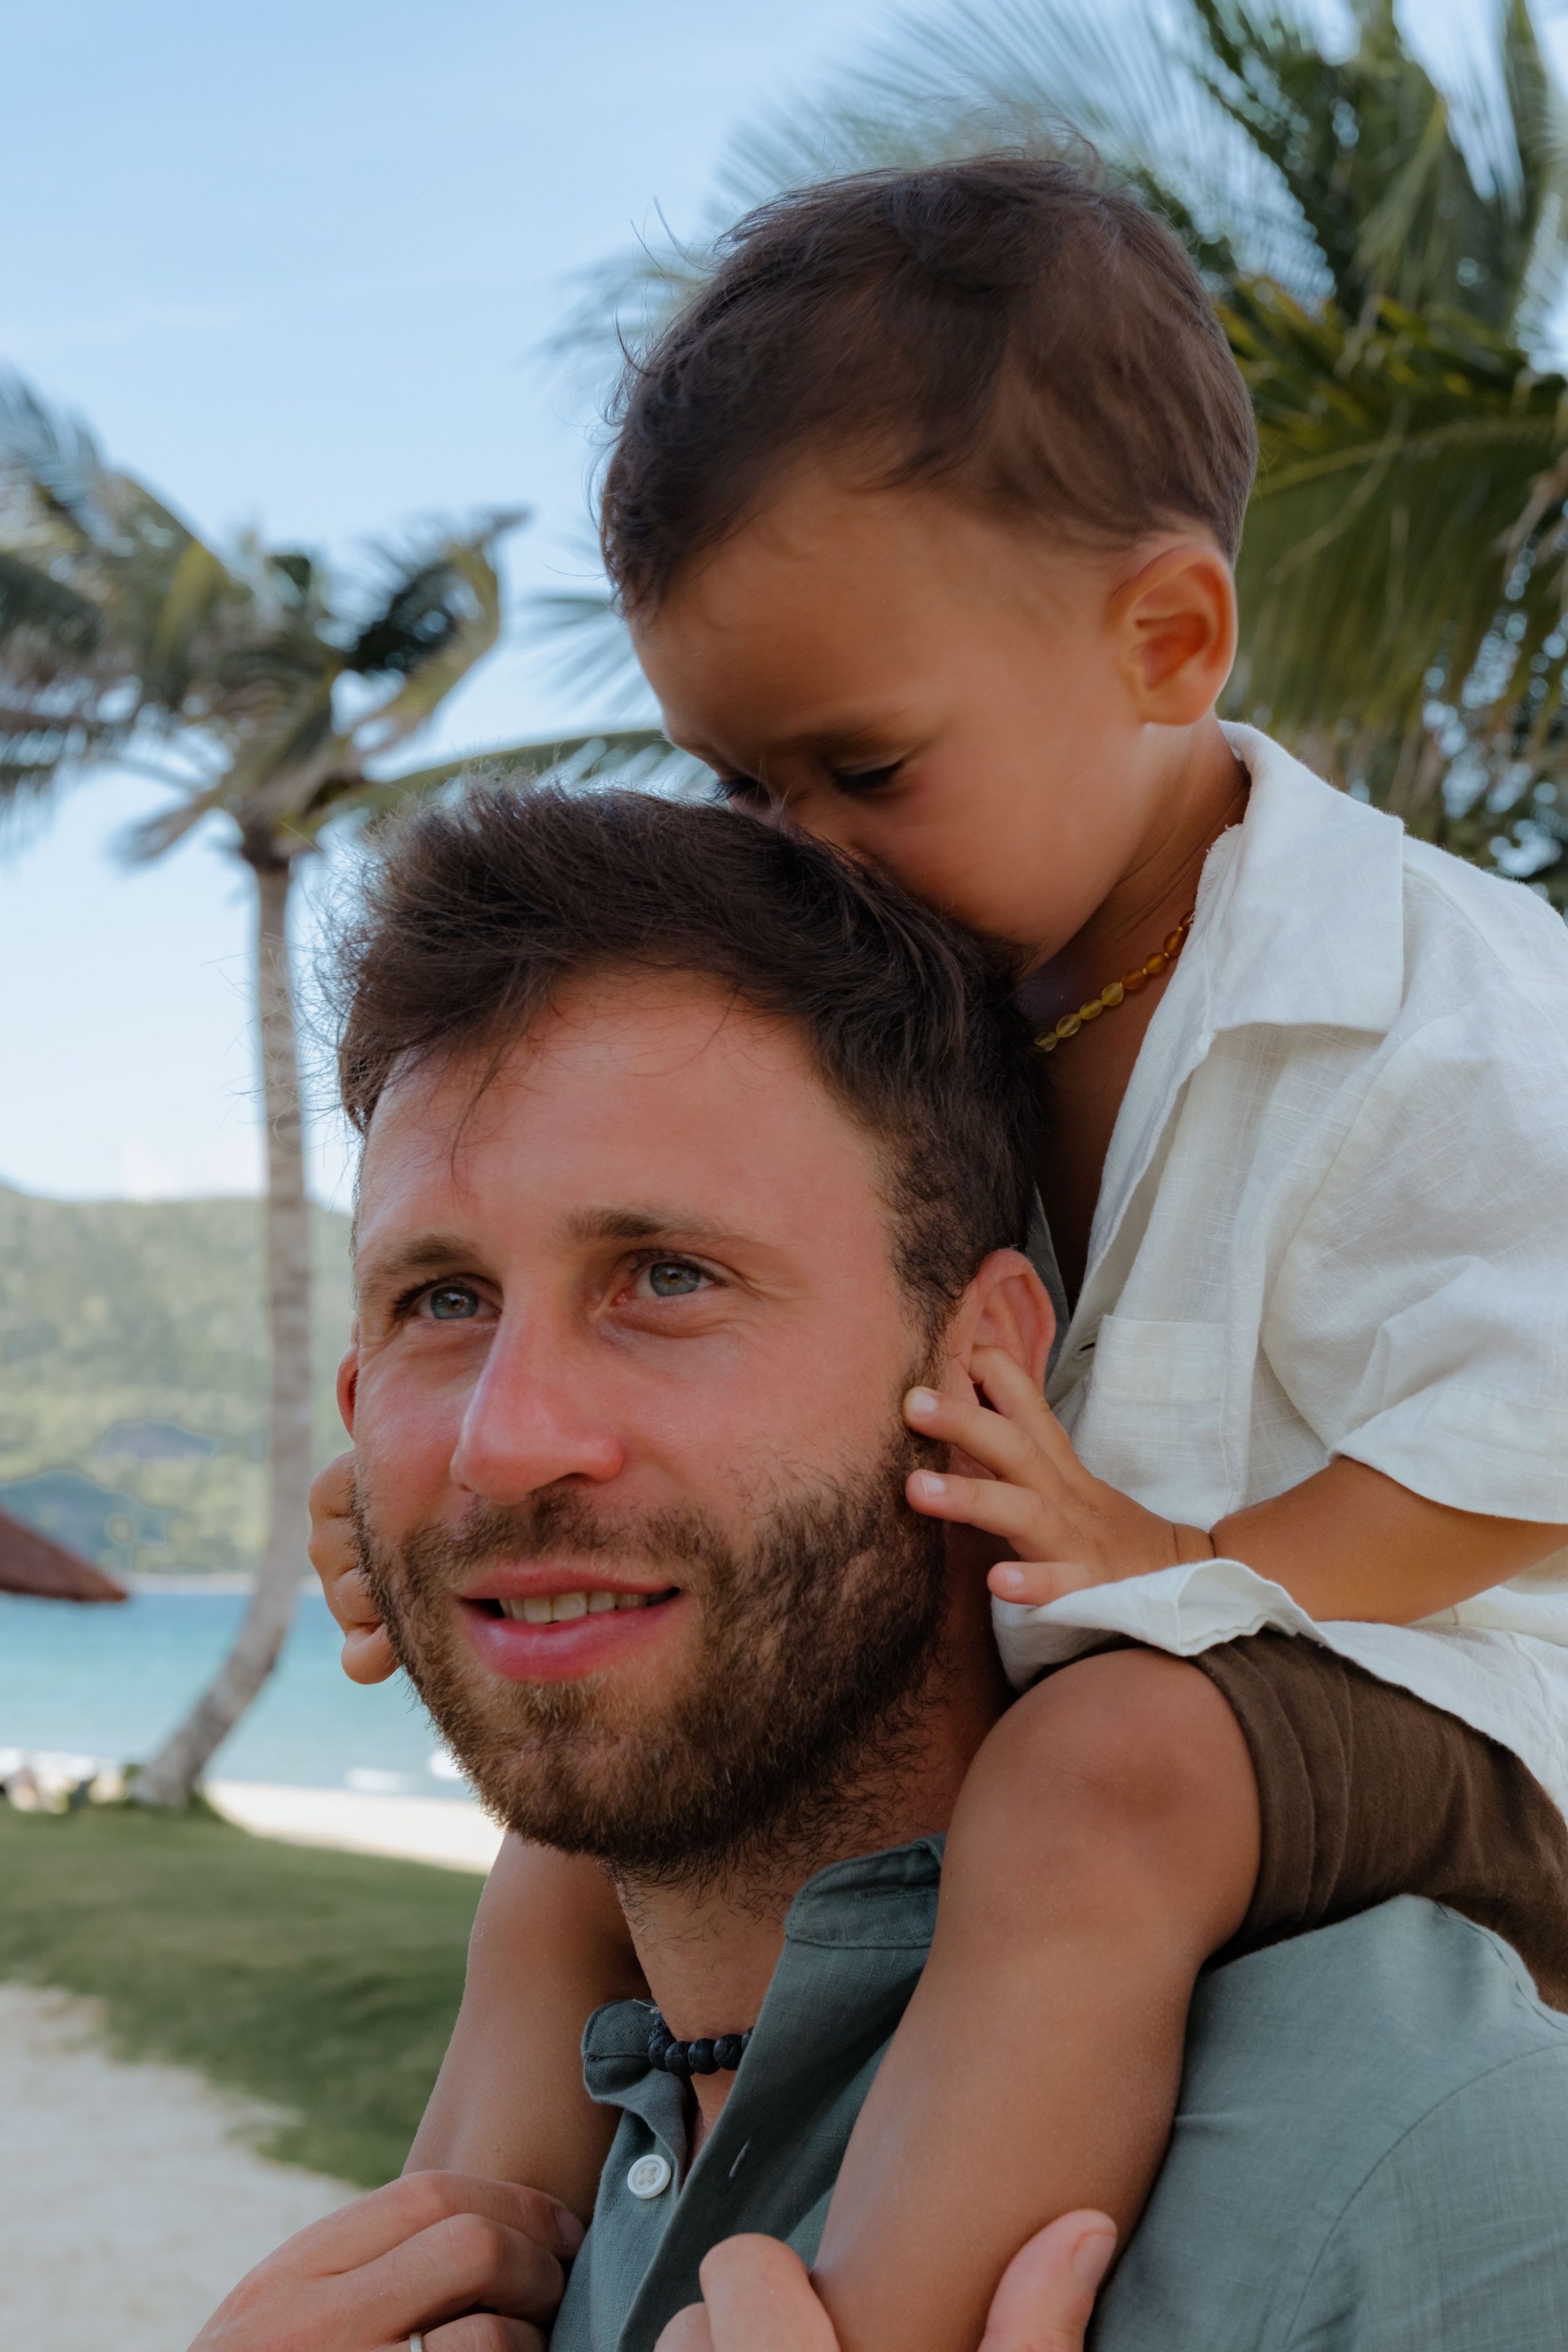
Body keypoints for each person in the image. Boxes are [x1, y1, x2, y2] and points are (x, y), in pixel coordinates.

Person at [310, 159, 1568, 2352]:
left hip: (1462, 1685)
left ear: (1168, 641)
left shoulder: (1434, 1000)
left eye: (860, 766)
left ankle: (868, 2313)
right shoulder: (996, 960)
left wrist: (1194, 1553)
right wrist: (459, 1509)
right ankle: (467, 2266)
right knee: (564, 1852)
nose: (804, 861)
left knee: (1105, 1777)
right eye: (740, 785)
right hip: (1176, 1667)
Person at [200, 783, 1568, 2352]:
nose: (504, 1442)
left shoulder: (1418, 2174)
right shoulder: (499, 2187)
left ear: (982, 1356)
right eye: (443, 1300)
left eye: (666, 1276)